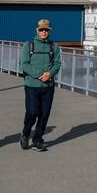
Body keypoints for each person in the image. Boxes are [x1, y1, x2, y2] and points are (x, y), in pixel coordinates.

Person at [19, 18, 60, 151]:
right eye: (41, 30)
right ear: (37, 30)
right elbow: (24, 64)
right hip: (32, 85)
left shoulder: (54, 46)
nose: (44, 32)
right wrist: (39, 74)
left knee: (44, 114)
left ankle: (37, 139)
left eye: (46, 30)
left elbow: (57, 63)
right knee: (32, 112)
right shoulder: (29, 44)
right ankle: (25, 134)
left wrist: (50, 74)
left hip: (48, 86)